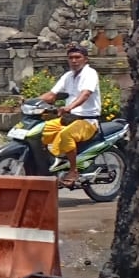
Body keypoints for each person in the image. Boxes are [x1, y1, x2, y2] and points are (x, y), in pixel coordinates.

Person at [37, 42, 102, 189]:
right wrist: (31, 101)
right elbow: (52, 94)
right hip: (68, 118)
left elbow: (85, 94)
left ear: (85, 59)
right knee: (42, 130)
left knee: (67, 134)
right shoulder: (68, 76)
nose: (74, 60)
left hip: (87, 120)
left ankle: (73, 170)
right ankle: (54, 162)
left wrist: (69, 107)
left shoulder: (90, 74)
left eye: (77, 57)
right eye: (71, 57)